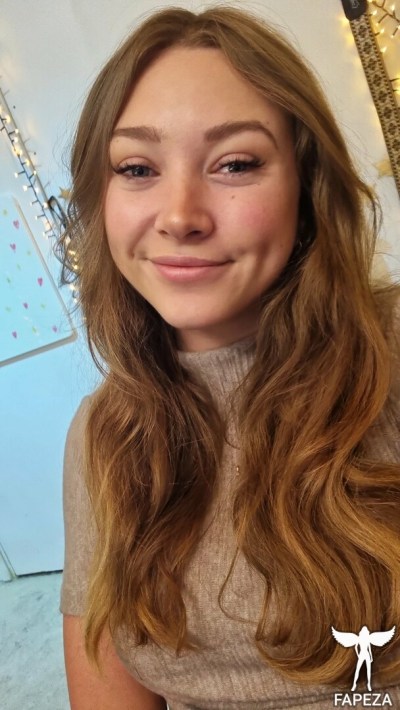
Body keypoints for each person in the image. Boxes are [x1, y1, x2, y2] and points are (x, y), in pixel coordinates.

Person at [58, 5, 400, 709]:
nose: (180, 216)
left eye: (236, 163)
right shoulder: (102, 434)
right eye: (137, 167)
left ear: (306, 188)